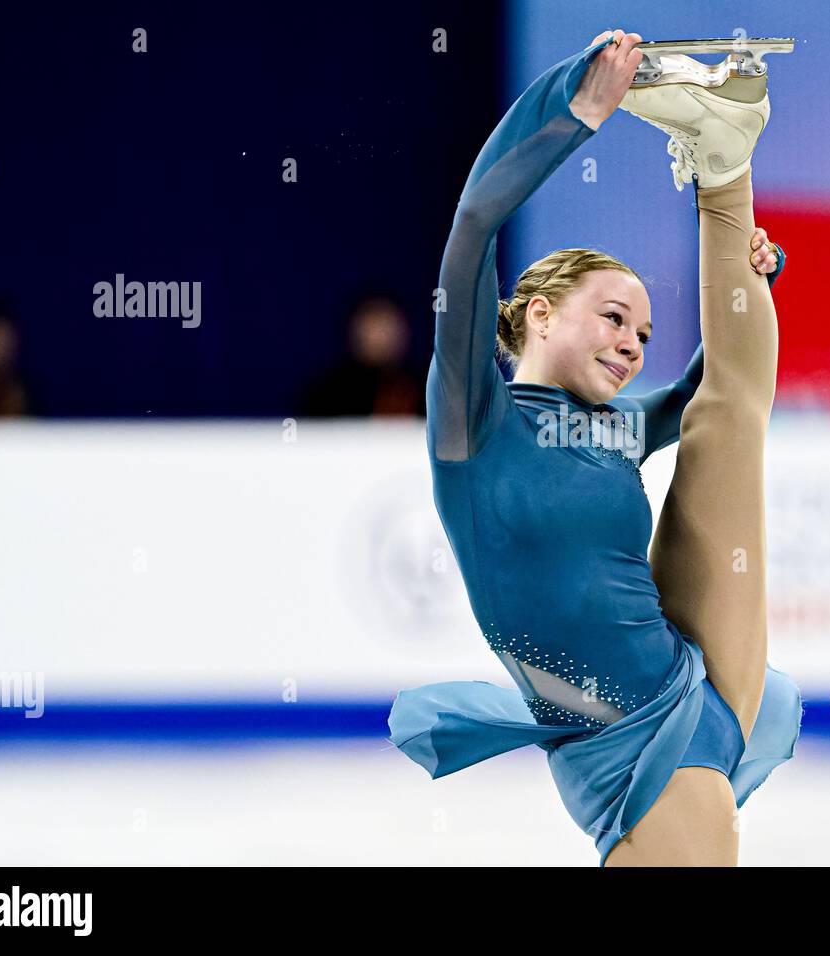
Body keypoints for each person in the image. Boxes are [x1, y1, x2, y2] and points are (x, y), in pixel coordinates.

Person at [388, 29, 801, 866]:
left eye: (644, 333)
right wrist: (574, 110)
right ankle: (721, 168)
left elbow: (707, 389)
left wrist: (746, 279)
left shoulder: (620, 426)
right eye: (614, 317)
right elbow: (473, 227)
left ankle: (725, 169)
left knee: (728, 415)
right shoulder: (477, 419)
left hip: (695, 670)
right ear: (538, 311)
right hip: (621, 745)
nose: (632, 345)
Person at [300, 295, 425, 416]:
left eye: (387, 325)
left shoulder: (428, 392)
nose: (381, 336)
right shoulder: (328, 397)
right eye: (373, 326)